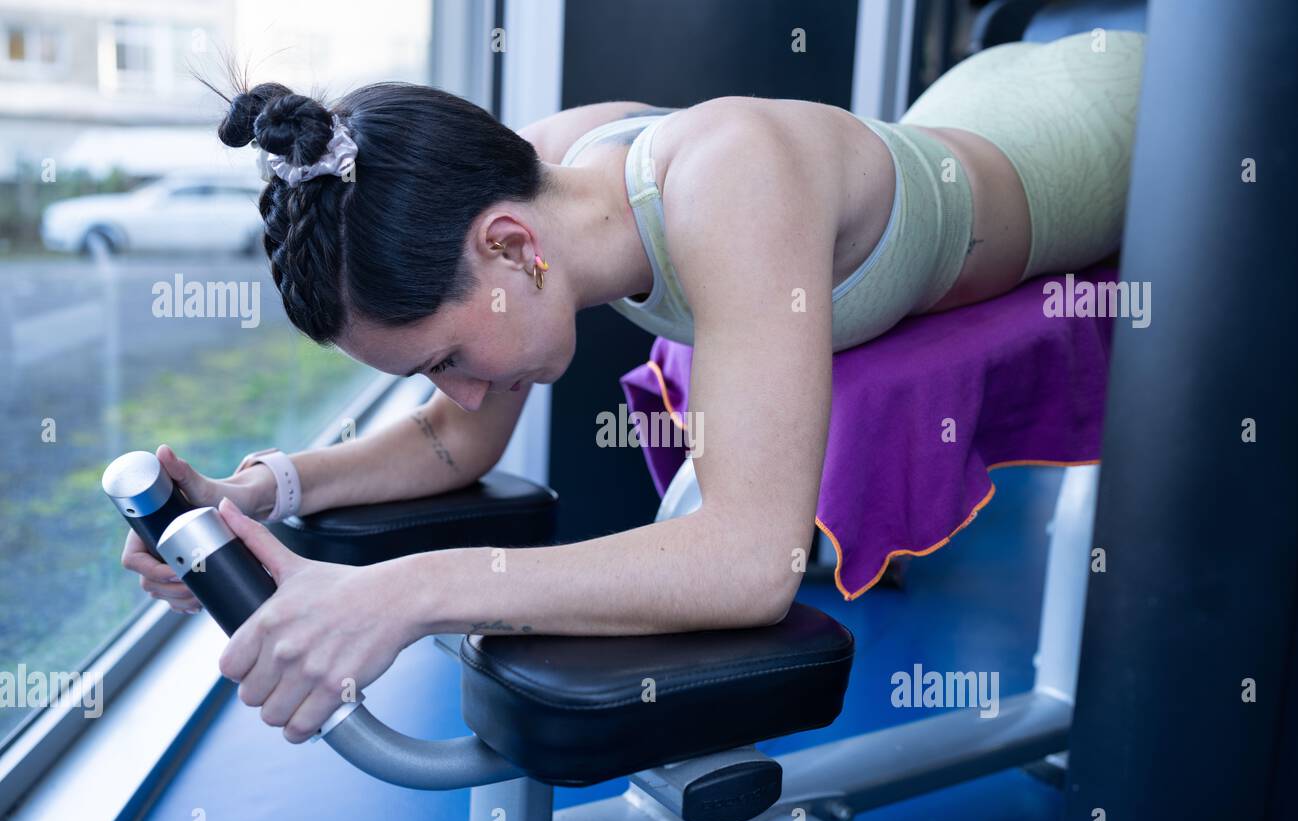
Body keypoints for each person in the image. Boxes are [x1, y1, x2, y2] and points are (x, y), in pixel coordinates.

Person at [123, 31, 1145, 743]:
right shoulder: (529, 180)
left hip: (1092, 129)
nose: (463, 393)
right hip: (961, 107)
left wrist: (406, 592)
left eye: (444, 357)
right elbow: (456, 442)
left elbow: (749, 561)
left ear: (511, 248)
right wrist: (258, 493)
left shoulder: (729, 179)